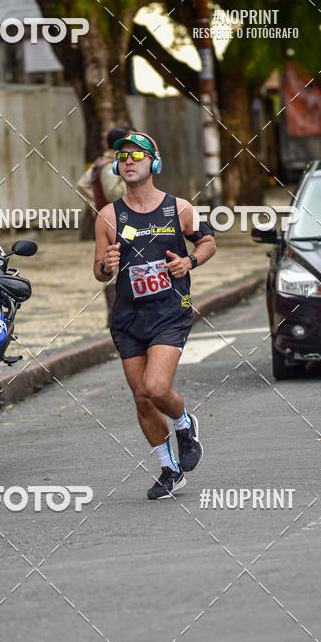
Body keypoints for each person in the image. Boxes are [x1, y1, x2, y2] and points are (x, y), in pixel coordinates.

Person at [93, 132, 216, 500]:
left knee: (156, 388)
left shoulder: (179, 208)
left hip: (169, 311)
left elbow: (208, 243)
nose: (129, 161)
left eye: (137, 155)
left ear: (154, 162)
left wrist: (189, 261)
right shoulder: (108, 215)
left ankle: (184, 424)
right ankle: (169, 469)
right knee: (142, 398)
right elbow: (99, 270)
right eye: (123, 156)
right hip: (128, 316)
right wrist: (106, 265)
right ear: (117, 165)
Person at [77, 126, 131, 324]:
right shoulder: (110, 166)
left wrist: (94, 206)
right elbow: (113, 193)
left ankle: (118, 313)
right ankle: (115, 314)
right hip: (115, 220)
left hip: (112, 219)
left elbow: (83, 184)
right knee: (112, 266)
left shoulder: (100, 163)